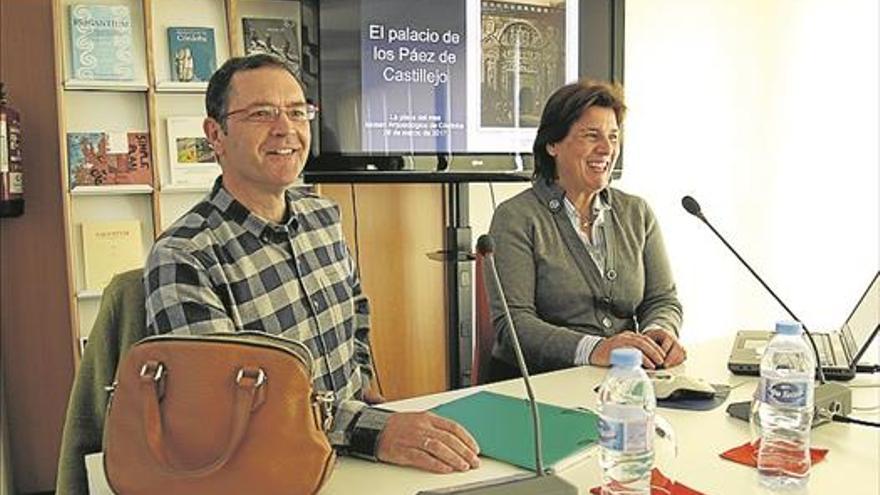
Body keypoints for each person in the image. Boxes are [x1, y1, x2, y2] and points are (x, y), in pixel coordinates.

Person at [144, 54, 480, 474]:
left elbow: (356, 314)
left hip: (353, 452)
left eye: (297, 111)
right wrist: (370, 429)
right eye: (261, 113)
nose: (285, 129)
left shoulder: (323, 216)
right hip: (264, 467)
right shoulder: (184, 254)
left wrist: (363, 398)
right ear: (216, 134)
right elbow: (219, 408)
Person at [486, 80, 685, 379]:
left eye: (613, 137)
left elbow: (662, 300)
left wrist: (659, 333)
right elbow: (514, 325)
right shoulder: (515, 217)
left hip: (625, 382)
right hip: (541, 386)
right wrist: (595, 349)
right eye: (592, 136)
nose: (607, 149)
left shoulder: (637, 212)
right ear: (552, 144)